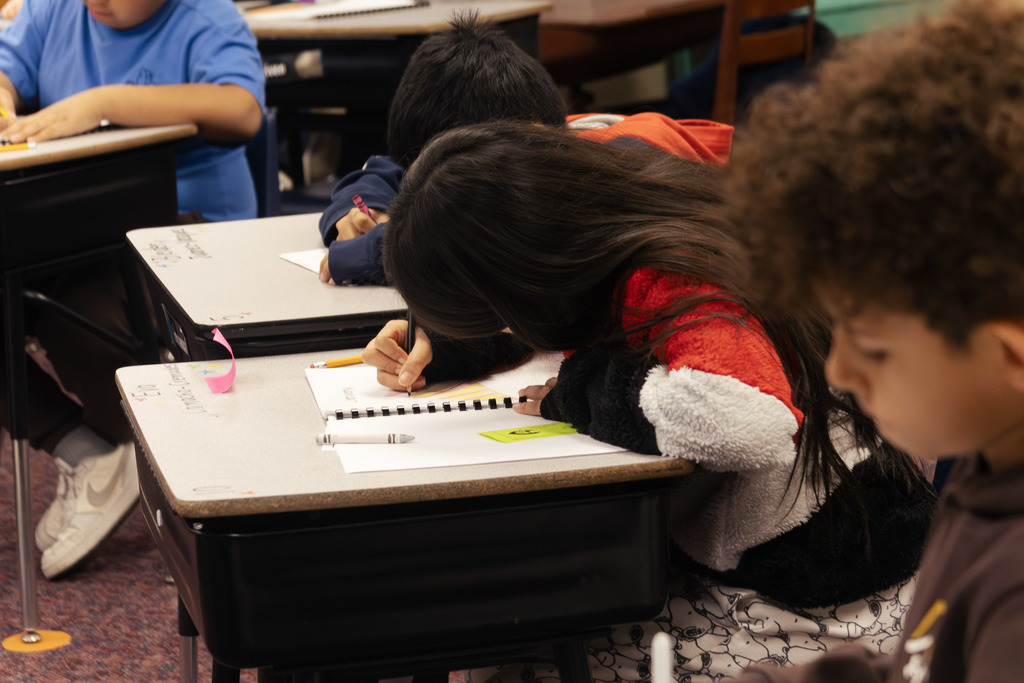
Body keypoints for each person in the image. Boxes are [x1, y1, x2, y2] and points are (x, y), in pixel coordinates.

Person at [361, 121, 937, 682]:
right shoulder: (613, 208)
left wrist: (577, 395)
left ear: (522, 283)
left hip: (831, 613)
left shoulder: (661, 273)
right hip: (816, 567)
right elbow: (569, 316)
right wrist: (448, 347)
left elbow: (746, 416)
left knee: (505, 666)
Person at [712, 0, 1024, 680]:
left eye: (873, 344)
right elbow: (927, 661)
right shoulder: (995, 455)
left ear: (1009, 354)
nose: (842, 370)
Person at [0, 0, 264, 579]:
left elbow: (243, 109)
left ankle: (135, 449)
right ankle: (91, 452)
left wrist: (102, 103)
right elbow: (5, 67)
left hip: (186, 234)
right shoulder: (54, 12)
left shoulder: (205, 17)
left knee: (80, 312)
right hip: (72, 227)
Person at [316, 13, 732, 286]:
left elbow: (504, 245)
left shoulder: (621, 164)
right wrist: (355, 219)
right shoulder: (536, 138)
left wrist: (378, 249)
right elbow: (380, 173)